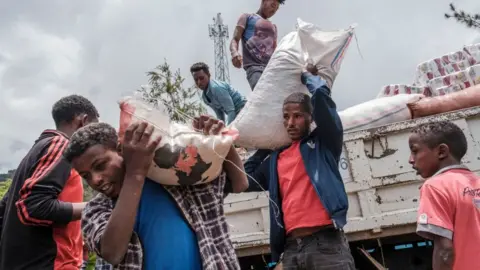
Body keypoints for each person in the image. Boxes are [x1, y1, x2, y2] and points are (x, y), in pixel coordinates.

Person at [64, 116, 248, 269]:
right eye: (86, 176)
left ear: (121, 150)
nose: (95, 180)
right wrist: (135, 173)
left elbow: (240, 183)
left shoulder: (175, 179)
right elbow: (112, 252)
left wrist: (222, 141)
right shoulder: (95, 210)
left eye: (100, 166)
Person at [243, 64, 355, 269]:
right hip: (292, 249)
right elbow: (245, 179)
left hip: (326, 246)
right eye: (286, 117)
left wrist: (306, 76)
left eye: (297, 116)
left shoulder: (324, 144)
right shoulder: (275, 160)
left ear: (310, 118)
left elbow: (321, 96)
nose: (290, 123)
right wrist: (266, 147)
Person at [0, 95, 99, 270]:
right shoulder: (61, 145)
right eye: (95, 128)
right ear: (83, 122)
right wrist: (98, 206)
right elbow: (34, 207)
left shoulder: (33, 154)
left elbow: (4, 209)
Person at [409, 121, 480, 270]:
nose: (410, 159)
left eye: (415, 151)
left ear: (441, 151)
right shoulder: (477, 181)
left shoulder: (435, 187)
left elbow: (445, 250)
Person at [230, 0, 284, 90]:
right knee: (261, 94)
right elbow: (235, 39)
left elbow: (275, 49)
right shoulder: (247, 17)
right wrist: (234, 53)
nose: (273, 10)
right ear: (263, 1)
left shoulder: (273, 27)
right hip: (254, 68)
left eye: (276, 9)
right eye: (273, 5)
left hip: (271, 69)